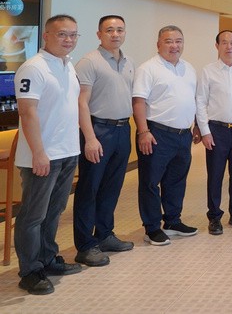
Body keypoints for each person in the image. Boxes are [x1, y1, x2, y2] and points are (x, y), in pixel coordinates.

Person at [14, 15, 82, 295]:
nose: (68, 40)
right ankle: (30, 271)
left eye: (73, 35)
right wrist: (39, 153)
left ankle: (47, 258)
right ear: (46, 36)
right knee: (33, 216)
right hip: (42, 156)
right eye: (62, 34)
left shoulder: (67, 66)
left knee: (54, 211)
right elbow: (27, 112)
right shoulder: (33, 67)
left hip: (67, 152)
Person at [72, 15, 135, 267]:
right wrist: (89, 138)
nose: (115, 34)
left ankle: (105, 235)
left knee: (112, 187)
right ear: (99, 34)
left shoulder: (128, 62)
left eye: (120, 29)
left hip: (122, 129)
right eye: (109, 30)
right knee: (89, 188)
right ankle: (86, 245)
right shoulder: (89, 61)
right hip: (98, 130)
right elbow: (81, 102)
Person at [133, 25, 198, 246]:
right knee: (151, 182)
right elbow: (138, 101)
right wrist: (143, 131)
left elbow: (192, 99)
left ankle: (172, 221)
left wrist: (196, 126)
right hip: (157, 133)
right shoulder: (148, 68)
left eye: (178, 41)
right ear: (158, 44)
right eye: (169, 41)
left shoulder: (188, 68)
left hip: (183, 134)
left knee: (176, 180)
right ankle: (152, 228)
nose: (174, 45)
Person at [194, 30, 232, 235]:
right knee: (215, 176)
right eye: (224, 43)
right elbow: (200, 102)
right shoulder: (208, 71)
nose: (229, 46)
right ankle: (214, 217)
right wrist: (205, 131)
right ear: (217, 46)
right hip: (217, 131)